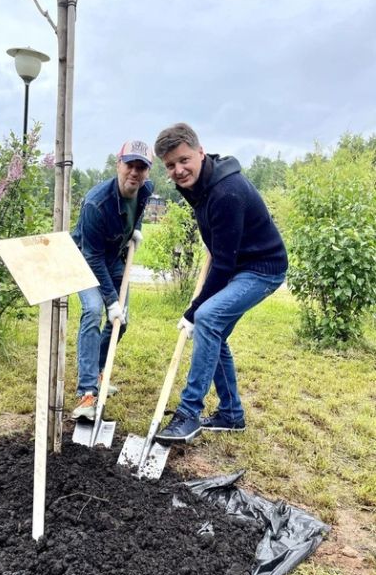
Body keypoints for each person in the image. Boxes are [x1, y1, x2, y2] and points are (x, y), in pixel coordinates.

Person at [153, 123, 288, 443]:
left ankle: (189, 413)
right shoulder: (195, 183)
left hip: (262, 269)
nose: (178, 170)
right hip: (238, 262)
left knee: (207, 319)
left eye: (184, 160)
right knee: (215, 334)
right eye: (170, 165)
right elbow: (218, 250)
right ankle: (231, 414)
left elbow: (224, 265)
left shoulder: (227, 192)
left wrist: (192, 311)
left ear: (201, 152)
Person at [71, 140, 154, 421]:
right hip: (85, 258)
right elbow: (92, 257)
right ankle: (87, 393)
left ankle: (97, 371)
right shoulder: (97, 203)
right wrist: (110, 300)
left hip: (115, 259)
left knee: (122, 321)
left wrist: (137, 229)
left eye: (141, 167)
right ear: (118, 165)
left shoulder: (146, 190)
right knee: (94, 311)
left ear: (147, 172)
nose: (135, 172)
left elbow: (139, 210)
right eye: (130, 164)